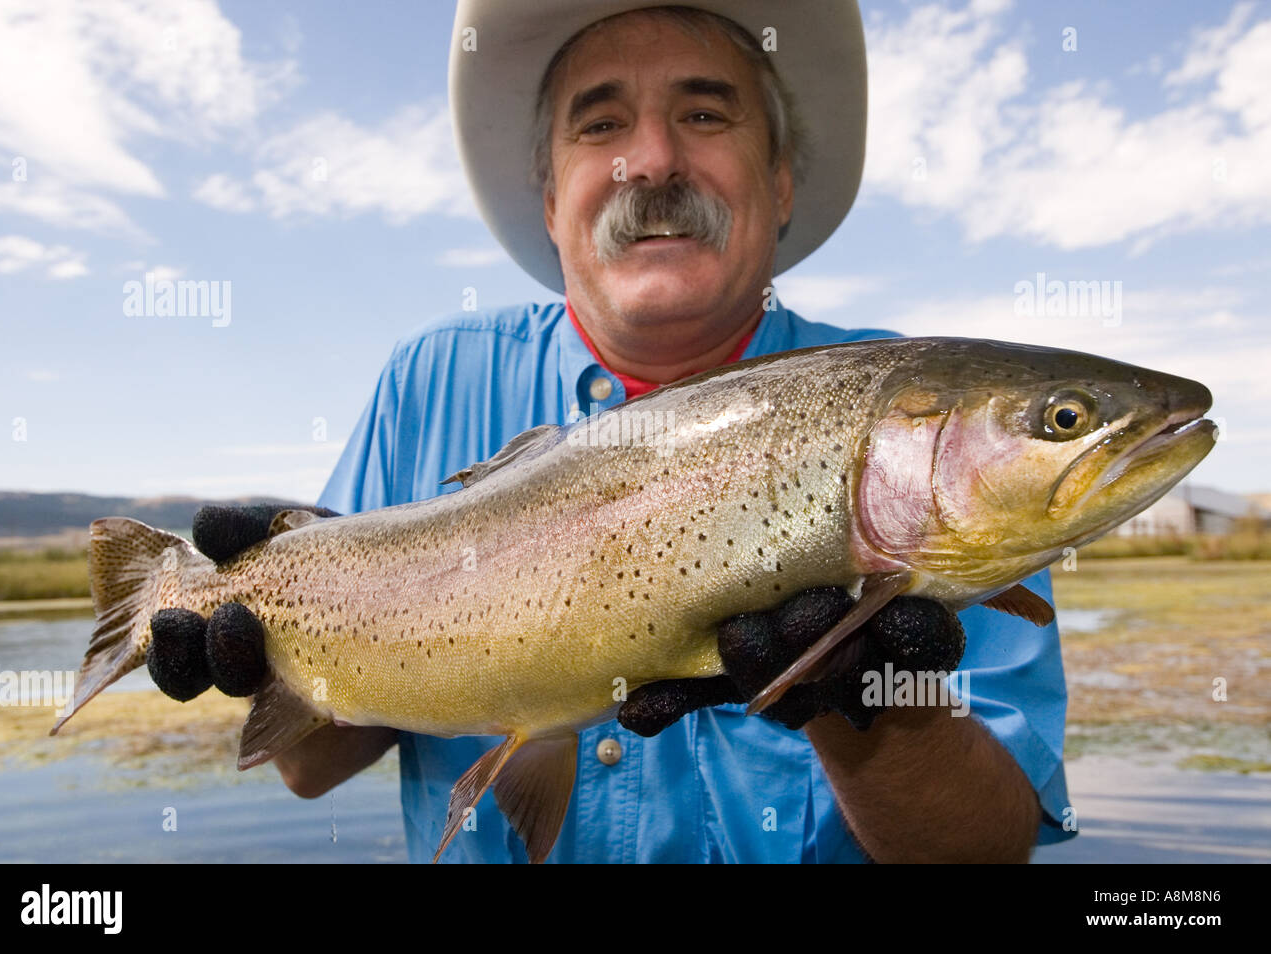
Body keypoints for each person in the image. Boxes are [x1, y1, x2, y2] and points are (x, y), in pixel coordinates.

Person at [168, 1, 1077, 863]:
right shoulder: (426, 381)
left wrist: (874, 706)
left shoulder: (911, 422)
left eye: (707, 115)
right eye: (600, 126)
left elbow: (987, 850)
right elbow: (306, 768)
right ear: (550, 194)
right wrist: (292, 625)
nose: (651, 159)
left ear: (782, 179)